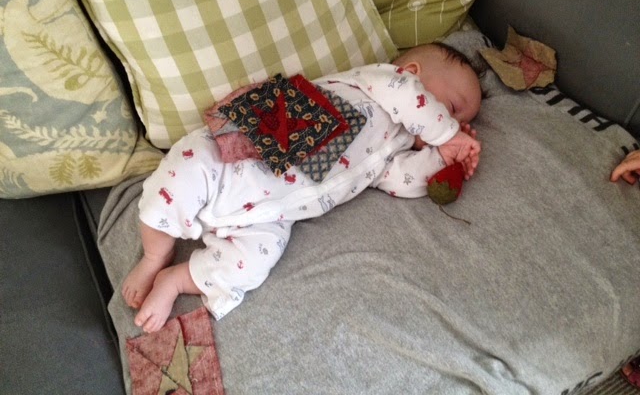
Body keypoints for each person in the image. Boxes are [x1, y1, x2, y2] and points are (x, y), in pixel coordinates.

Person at [122, 42, 483, 332]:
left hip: (273, 213)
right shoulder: (380, 83)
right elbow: (408, 97)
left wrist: (441, 159)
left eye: (461, 120)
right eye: (451, 109)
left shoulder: (395, 147)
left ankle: (176, 280)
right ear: (413, 73)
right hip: (232, 157)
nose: (453, 122)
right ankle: (155, 255)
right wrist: (448, 134)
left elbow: (399, 179)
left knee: (254, 263)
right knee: (178, 179)